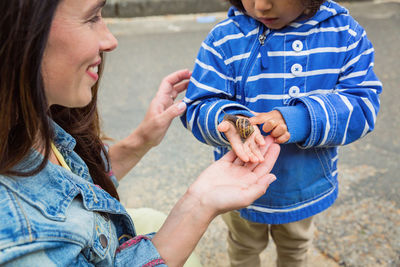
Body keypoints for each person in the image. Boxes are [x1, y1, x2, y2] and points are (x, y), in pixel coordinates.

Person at [0, 0, 282, 266]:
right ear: (20, 34)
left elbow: (74, 185)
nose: (111, 41)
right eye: (91, 18)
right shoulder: (19, 239)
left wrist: (142, 139)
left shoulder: (32, 124)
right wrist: (199, 205)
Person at [181, 0, 382, 266]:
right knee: (243, 248)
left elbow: (363, 105)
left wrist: (304, 118)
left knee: (295, 248)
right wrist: (228, 120)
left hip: (305, 185)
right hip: (238, 185)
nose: (261, 6)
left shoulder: (344, 35)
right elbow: (197, 103)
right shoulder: (224, 38)